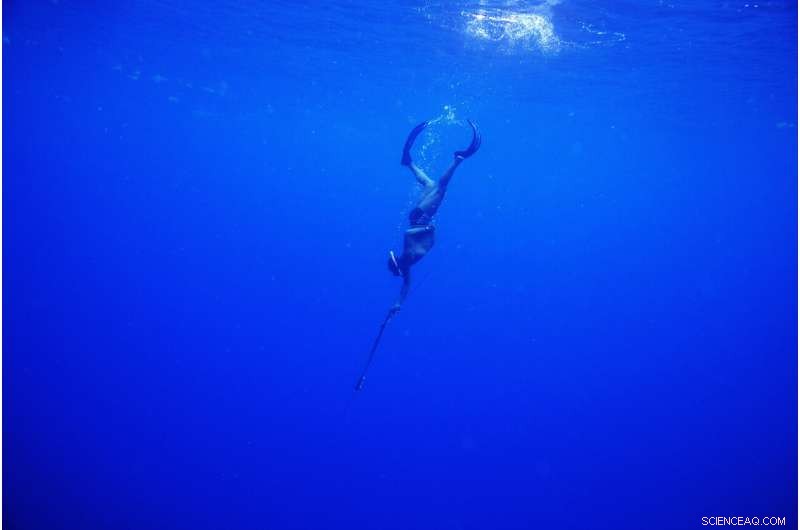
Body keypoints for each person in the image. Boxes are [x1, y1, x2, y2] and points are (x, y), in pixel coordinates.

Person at [387, 119, 482, 314]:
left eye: (399, 263)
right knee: (430, 186)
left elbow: (408, 234)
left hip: (421, 217)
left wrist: (427, 228)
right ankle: (409, 163)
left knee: (440, 189)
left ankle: (457, 159)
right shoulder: (406, 267)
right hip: (420, 217)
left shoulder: (407, 256)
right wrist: (398, 304)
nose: (401, 263)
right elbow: (405, 288)